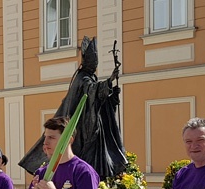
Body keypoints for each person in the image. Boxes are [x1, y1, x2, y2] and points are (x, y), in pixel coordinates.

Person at [19, 36, 127, 180]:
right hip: (82, 125)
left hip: (92, 122)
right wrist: (109, 81)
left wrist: (111, 95)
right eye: (93, 62)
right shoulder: (82, 78)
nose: (95, 65)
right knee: (86, 149)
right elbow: (91, 90)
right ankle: (86, 177)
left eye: (96, 63)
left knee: (97, 147)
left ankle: (98, 176)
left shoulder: (90, 77)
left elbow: (98, 98)